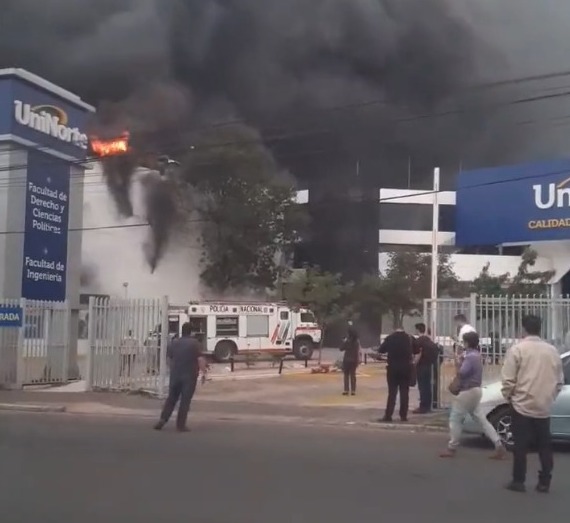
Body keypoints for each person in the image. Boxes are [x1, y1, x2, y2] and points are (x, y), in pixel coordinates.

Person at [501, 315, 564, 493]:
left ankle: (518, 481)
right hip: (543, 405)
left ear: (524, 329)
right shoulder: (552, 351)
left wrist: (509, 397)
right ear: (540, 328)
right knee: (545, 445)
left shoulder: (517, 349)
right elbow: (559, 381)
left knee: (520, 445)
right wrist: (549, 396)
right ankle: (545, 481)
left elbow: (508, 380)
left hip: (521, 404)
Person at [440, 330, 506, 459]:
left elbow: (463, 373)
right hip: (476, 390)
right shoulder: (477, 355)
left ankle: (451, 447)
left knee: (455, 418)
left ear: (467, 342)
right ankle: (498, 444)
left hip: (467, 391)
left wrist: (458, 362)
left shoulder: (470, 357)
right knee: (481, 419)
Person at [154, 322, 208, 432]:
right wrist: (204, 373)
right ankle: (180, 425)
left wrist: (173, 368)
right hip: (189, 376)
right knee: (185, 400)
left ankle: (163, 419)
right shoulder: (195, 343)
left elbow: (169, 359)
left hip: (175, 375)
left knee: (171, 398)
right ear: (191, 332)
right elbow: (200, 359)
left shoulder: (174, 343)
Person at [378, 327, 415, 422]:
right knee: (404, 392)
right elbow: (415, 351)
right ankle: (403, 416)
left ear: (395, 329)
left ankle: (388, 415)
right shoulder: (409, 338)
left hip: (393, 368)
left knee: (392, 393)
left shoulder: (390, 338)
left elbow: (381, 350)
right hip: (406, 368)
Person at [412, 323, 440, 414]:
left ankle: (423, 407)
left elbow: (418, 355)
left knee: (422, 387)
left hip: (422, 366)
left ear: (417, 330)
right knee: (428, 386)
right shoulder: (430, 342)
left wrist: (413, 364)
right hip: (430, 366)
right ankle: (429, 405)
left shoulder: (419, 341)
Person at [340, 327, 361, 396]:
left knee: (346, 375)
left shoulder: (347, 341)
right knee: (353, 375)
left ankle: (346, 390)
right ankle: (353, 390)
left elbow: (341, 348)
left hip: (346, 360)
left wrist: (344, 341)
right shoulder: (357, 342)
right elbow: (358, 352)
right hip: (354, 360)